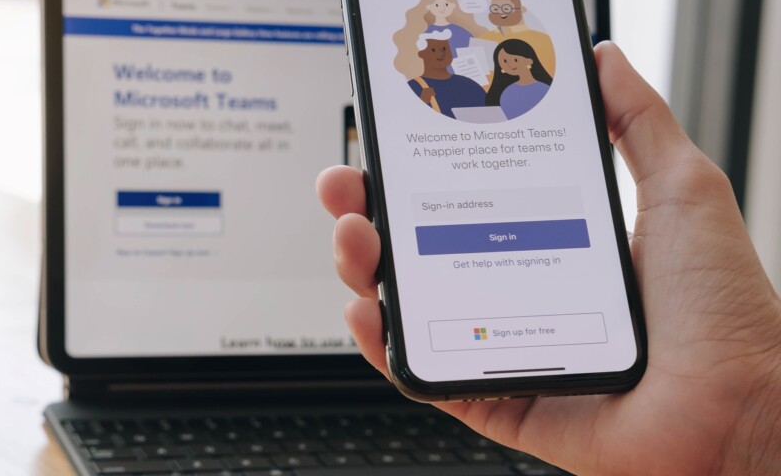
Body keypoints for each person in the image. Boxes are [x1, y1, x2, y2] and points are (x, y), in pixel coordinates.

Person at [317, 42, 781, 475]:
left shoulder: (531, 95)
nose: (508, 68)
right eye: (504, 62)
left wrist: (747, 427)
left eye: (514, 60)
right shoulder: (476, 94)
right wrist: (744, 434)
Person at [393, 0, 487, 78]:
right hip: (437, 77)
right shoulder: (426, 33)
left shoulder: (460, 31)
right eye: (437, 5)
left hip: (465, 74)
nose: (442, 9)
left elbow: (475, 52)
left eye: (446, 4)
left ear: (452, 6)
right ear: (429, 7)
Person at [406, 29, 486, 118]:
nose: (441, 53)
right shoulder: (414, 86)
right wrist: (423, 101)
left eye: (444, 48)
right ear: (422, 54)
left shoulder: (468, 85)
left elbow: (488, 112)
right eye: (433, 50)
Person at [479, 0, 557, 76]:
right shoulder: (484, 38)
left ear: (522, 9)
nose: (500, 12)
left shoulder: (542, 39)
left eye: (506, 8)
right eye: (495, 9)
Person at [487, 39, 554, 118]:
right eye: (505, 61)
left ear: (529, 61)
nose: (510, 64)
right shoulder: (506, 92)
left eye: (515, 60)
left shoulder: (545, 88)